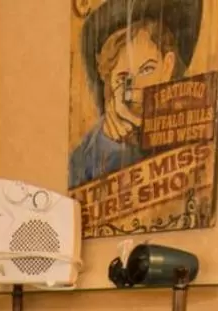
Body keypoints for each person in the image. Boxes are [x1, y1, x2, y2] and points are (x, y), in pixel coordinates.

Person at [70, 0, 201, 188]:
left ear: (168, 65)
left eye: (147, 70)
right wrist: (111, 145)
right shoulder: (90, 150)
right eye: (123, 78)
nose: (136, 87)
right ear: (109, 83)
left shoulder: (192, 119)